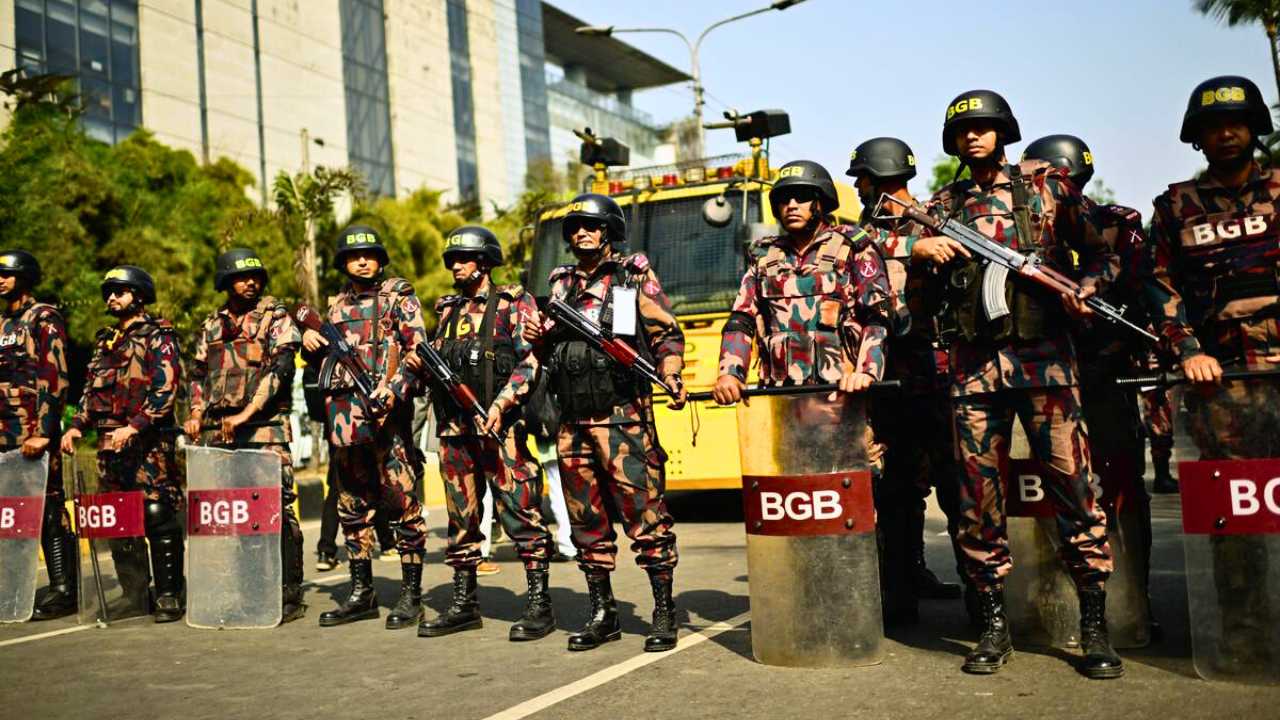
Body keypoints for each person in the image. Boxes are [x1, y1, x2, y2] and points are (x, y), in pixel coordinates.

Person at [919, 90, 1121, 678]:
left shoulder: (1048, 186)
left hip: (1046, 366)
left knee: (1075, 491)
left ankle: (1094, 626)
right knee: (977, 505)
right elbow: (914, 289)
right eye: (964, 130)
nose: (973, 135)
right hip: (974, 373)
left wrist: (1089, 288)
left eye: (984, 126)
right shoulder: (943, 204)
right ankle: (992, 626)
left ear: (1003, 131)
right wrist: (919, 249)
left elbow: (1102, 253)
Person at [1141, 75, 1279, 672]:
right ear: (1197, 138)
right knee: (1237, 516)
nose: (1225, 134)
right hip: (1221, 382)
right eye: (1213, 127)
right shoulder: (1176, 206)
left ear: (1254, 129)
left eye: (1236, 124)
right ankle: (1245, 632)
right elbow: (1160, 287)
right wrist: (1187, 349)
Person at [518, 193, 687, 652]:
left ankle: (663, 611)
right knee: (585, 522)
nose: (582, 233)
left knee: (646, 518)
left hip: (623, 419)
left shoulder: (631, 276)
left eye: (591, 226)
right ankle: (602, 613)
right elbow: (544, 349)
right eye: (575, 228)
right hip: (572, 422)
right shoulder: (560, 284)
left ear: (609, 230)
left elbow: (666, 334)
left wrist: (671, 372)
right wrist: (536, 336)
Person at [414, 225, 555, 641]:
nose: (455, 266)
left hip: (500, 429)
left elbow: (529, 363)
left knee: (521, 514)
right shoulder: (447, 311)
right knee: (461, 520)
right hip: (454, 431)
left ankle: (539, 604)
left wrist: (500, 405)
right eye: (452, 260)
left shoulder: (513, 304)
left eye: (464, 259)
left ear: (485, 262)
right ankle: (464, 604)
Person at [845, 139, 966, 626]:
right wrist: (911, 249)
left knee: (956, 485)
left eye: (862, 178)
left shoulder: (936, 219)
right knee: (896, 489)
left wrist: (923, 245)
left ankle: (982, 596)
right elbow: (860, 261)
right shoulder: (863, 235)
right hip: (889, 377)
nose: (858, 187)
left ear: (881, 178)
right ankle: (903, 585)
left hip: (939, 373)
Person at [301, 225, 428, 630]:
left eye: (369, 255)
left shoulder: (399, 299)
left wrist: (394, 389)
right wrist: (310, 340)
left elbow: (418, 353)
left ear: (379, 260)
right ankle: (362, 592)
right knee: (351, 506)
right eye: (354, 256)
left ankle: (411, 595)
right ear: (343, 263)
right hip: (347, 422)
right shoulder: (335, 307)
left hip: (389, 419)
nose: (361, 261)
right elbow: (321, 362)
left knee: (403, 505)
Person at [184, 248, 306, 623]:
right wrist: (195, 411)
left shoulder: (275, 317)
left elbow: (281, 369)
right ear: (226, 282)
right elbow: (197, 374)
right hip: (222, 433)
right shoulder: (212, 325)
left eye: (255, 277)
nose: (250, 283)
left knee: (277, 510)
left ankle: (288, 593)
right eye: (241, 277)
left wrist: (246, 414)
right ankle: (251, 591)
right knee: (238, 514)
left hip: (264, 431)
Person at [61, 266, 185, 622]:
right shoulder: (106, 343)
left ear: (139, 295)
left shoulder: (158, 336)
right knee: (117, 520)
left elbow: (165, 390)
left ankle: (169, 595)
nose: (112, 297)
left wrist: (135, 427)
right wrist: (75, 427)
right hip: (109, 448)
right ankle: (134, 594)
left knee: (156, 514)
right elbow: (90, 393)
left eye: (120, 291)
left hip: (149, 444)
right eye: (109, 293)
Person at [0, 250, 75, 620]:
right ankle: (14, 590)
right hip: (2, 437)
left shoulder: (43, 317)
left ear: (25, 277)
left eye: (6, 274)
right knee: (9, 513)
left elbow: (54, 375)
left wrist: (45, 431)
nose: (0, 280)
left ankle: (63, 589)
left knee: (47, 508)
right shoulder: (1, 323)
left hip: (32, 433)